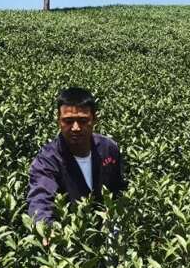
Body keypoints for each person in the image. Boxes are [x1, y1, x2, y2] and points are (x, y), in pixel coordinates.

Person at [27, 87, 127, 225]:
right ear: (59, 121)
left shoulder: (108, 148)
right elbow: (40, 197)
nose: (76, 127)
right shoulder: (48, 159)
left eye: (83, 120)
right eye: (68, 121)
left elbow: (119, 188)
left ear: (94, 119)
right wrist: (45, 227)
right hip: (70, 236)